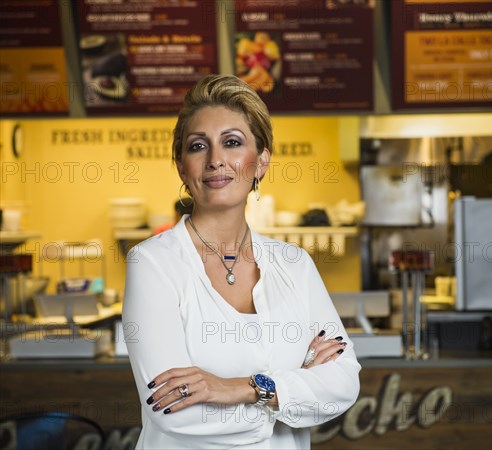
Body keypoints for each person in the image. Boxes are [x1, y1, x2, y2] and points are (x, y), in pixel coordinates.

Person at [123, 74, 361, 449]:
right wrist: (291, 393)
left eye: (232, 143)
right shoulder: (152, 263)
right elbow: (173, 411)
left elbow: (344, 383)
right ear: (182, 166)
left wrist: (242, 389)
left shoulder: (293, 264)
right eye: (198, 146)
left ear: (261, 161)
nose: (216, 160)